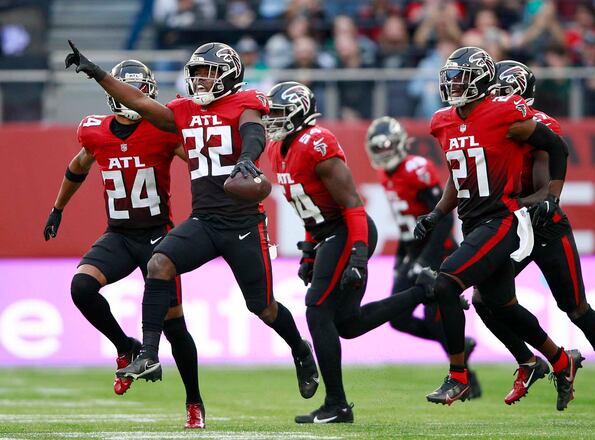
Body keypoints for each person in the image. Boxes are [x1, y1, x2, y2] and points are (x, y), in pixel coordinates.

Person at [64, 41, 320, 408]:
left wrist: (247, 159)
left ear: (229, 74)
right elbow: (138, 103)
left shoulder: (245, 101)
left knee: (261, 307)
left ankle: (299, 348)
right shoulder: (182, 111)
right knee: (159, 263)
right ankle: (148, 352)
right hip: (204, 220)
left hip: (242, 224)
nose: (199, 80)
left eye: (207, 73)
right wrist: (97, 73)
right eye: (196, 73)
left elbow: (253, 131)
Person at [416, 46, 583, 408]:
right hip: (472, 220)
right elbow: (460, 173)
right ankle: (559, 359)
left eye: (460, 76)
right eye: (451, 77)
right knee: (501, 305)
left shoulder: (505, 111)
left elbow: (556, 146)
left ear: (479, 79)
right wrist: (436, 214)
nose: (453, 83)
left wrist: (551, 194)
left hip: (502, 219)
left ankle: (457, 377)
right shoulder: (442, 121)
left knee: (445, 282)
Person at [43, 60, 205, 428]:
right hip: (118, 233)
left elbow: (200, 163)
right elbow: (79, 165)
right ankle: (124, 346)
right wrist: (57, 208)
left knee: (174, 327)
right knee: (82, 287)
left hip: (159, 238)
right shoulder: (94, 132)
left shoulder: (163, 131)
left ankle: (194, 402)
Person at [264, 81, 436, 423]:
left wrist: (357, 256)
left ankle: (337, 404)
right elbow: (308, 210)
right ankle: (424, 291)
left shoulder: (317, 143)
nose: (273, 121)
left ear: (299, 114)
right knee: (347, 323)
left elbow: (352, 206)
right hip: (328, 233)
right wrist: (310, 252)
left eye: (281, 113)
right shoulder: (276, 150)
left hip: (348, 230)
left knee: (316, 311)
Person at [472, 60, 595, 424]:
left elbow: (544, 184)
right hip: (512, 225)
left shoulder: (538, 125)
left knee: (575, 309)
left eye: (503, 92)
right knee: (484, 299)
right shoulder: (486, 124)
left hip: (544, 226)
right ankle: (529, 362)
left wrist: (531, 202)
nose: (497, 99)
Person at [364, 116, 481, 399]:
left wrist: (424, 260)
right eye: (377, 149)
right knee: (399, 319)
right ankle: (461, 347)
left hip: (437, 250)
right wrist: (403, 259)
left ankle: (466, 379)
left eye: (386, 147)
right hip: (412, 248)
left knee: (435, 316)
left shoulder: (417, 168)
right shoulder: (385, 174)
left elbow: (442, 219)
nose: (383, 154)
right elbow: (405, 223)